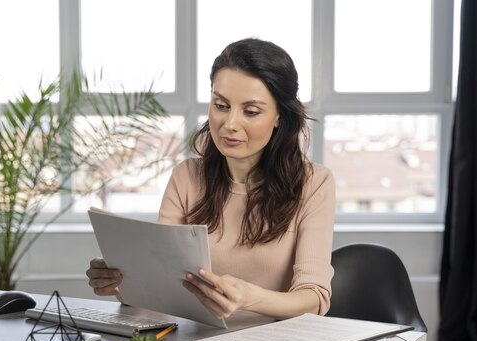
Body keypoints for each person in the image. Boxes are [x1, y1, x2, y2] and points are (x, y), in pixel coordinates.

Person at [86, 38, 335, 320]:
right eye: (221, 105)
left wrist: (249, 298)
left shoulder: (314, 183)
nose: (230, 124)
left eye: (251, 111)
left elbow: (313, 298)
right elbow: (161, 283)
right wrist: (122, 282)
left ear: (279, 116)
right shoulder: (187, 177)